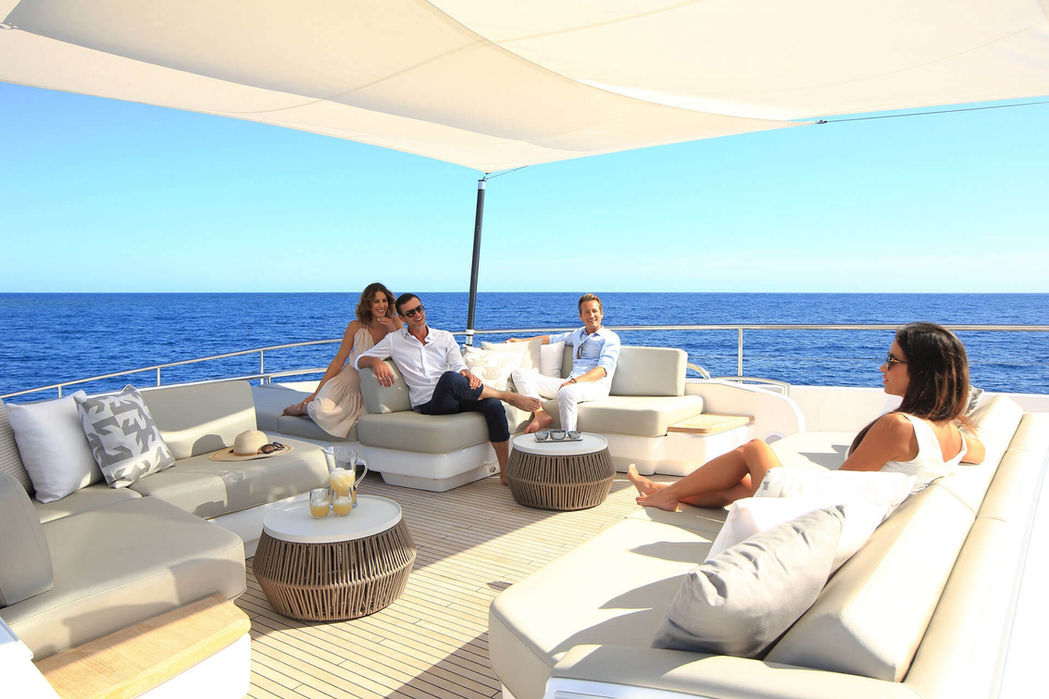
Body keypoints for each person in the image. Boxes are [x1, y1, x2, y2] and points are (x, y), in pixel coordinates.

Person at [628, 322, 986, 511]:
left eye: (892, 361)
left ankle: (667, 493)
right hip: (861, 508)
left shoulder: (898, 427)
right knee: (746, 486)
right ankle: (667, 492)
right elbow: (980, 451)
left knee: (753, 449)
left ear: (922, 372)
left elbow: (834, 489)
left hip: (820, 512)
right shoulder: (954, 435)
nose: (883, 367)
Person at [355, 293, 541, 484]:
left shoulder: (444, 337)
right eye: (410, 313)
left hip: (455, 396)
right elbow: (358, 361)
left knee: (493, 405)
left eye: (419, 308)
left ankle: (505, 472)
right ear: (401, 319)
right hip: (429, 403)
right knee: (449, 378)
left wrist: (467, 373)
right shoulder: (394, 341)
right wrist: (376, 360)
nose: (417, 314)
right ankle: (507, 396)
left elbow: (457, 365)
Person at [282, 282, 398, 437]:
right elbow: (338, 360)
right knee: (320, 410)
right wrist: (316, 393)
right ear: (368, 304)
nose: (381, 305)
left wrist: (391, 329)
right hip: (349, 379)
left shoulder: (395, 323)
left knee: (367, 420)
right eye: (376, 301)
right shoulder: (355, 326)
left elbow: (403, 352)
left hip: (373, 383)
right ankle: (303, 409)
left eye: (384, 301)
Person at [507, 293, 621, 433]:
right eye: (587, 312)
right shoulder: (577, 334)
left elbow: (603, 370)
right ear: (581, 316)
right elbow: (550, 339)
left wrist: (574, 382)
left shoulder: (610, 338)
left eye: (595, 311)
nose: (591, 315)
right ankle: (540, 413)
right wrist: (520, 341)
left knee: (566, 392)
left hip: (596, 386)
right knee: (519, 374)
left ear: (601, 313)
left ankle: (568, 438)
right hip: (570, 384)